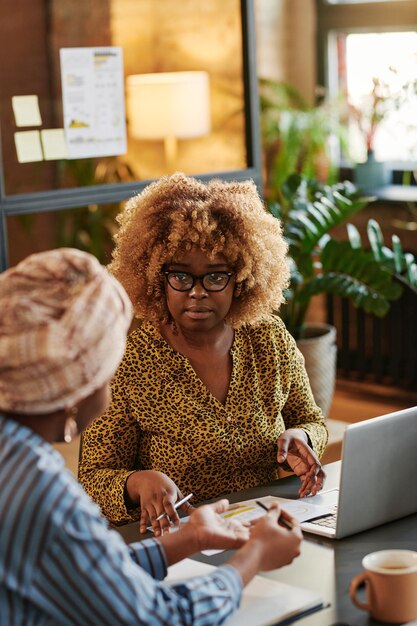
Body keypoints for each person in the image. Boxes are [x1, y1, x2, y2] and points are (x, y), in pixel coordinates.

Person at [0, 247, 303, 626]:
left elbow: (91, 569)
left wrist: (188, 538)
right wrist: (254, 557)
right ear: (82, 381)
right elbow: (159, 619)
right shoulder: (40, 490)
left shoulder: (14, 457)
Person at [79, 173, 328, 533]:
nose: (197, 293)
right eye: (181, 277)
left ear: (241, 278)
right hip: (177, 540)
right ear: (154, 277)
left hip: (264, 525)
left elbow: (311, 420)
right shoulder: (128, 361)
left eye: (214, 277)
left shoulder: (269, 339)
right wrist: (139, 482)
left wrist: (302, 439)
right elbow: (92, 479)